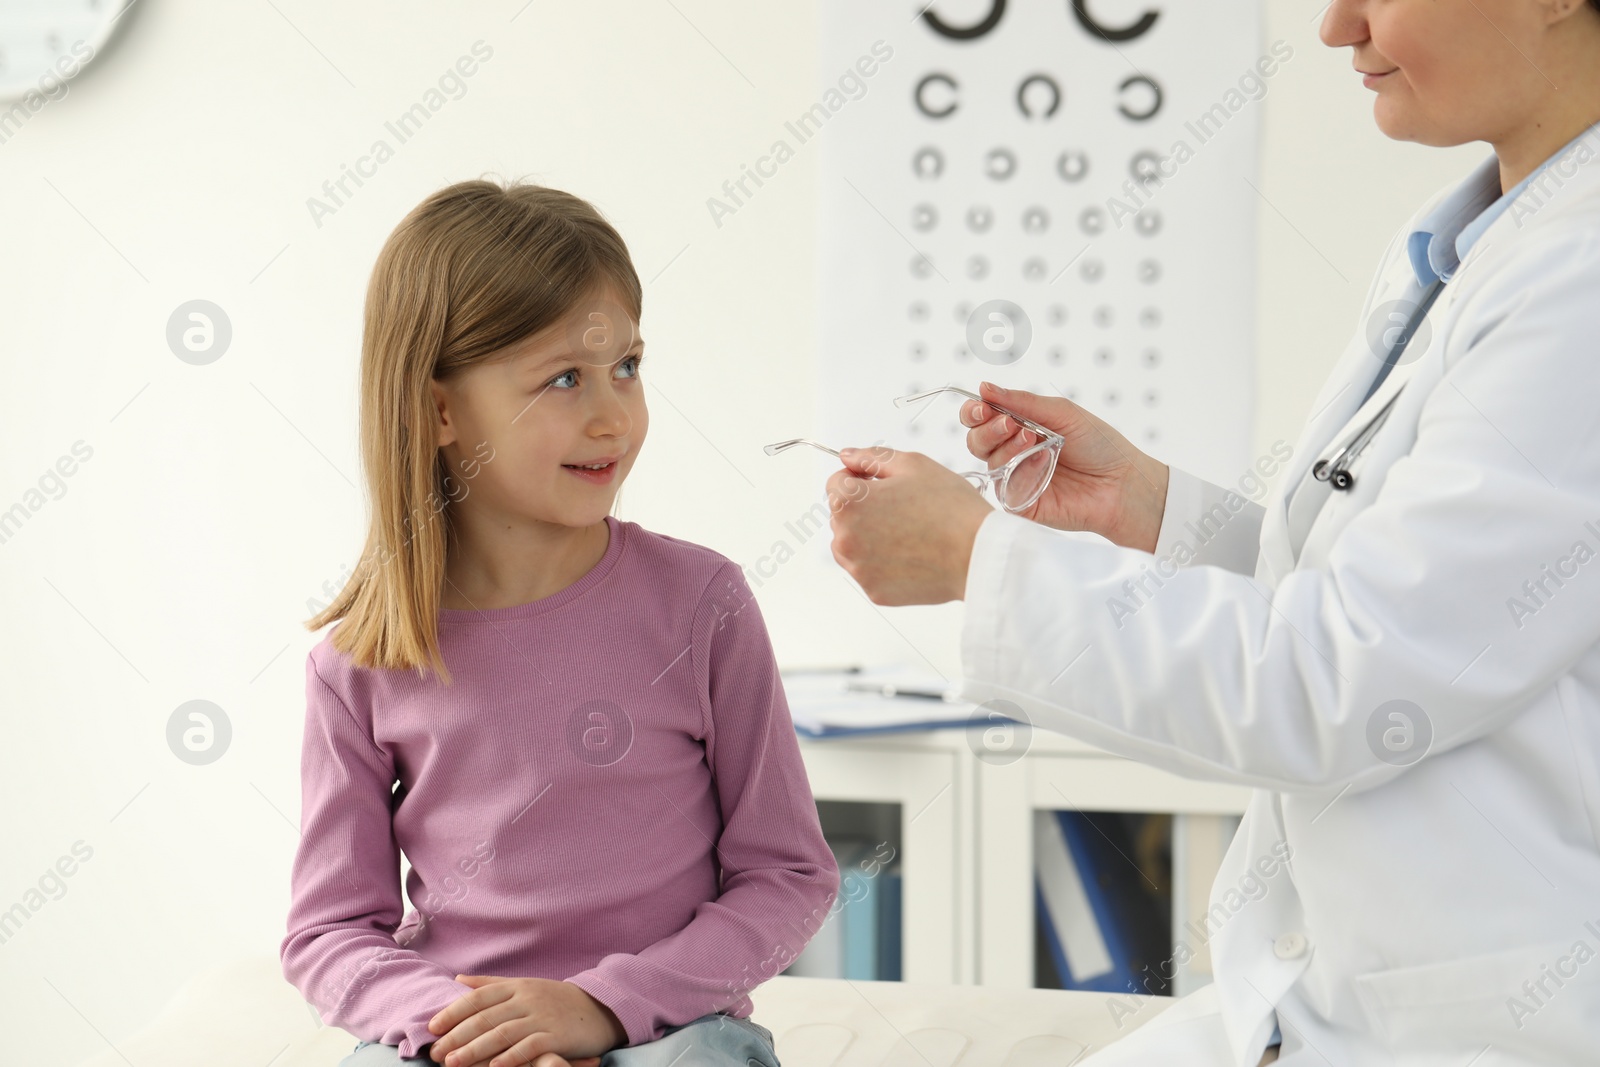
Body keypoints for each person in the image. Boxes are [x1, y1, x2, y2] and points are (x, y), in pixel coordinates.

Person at [824, 0, 1600, 1063]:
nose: (1337, 27)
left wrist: (977, 557)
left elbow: (1347, 684)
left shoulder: (1581, 282)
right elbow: (1391, 601)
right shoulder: (1478, 242)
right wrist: (1152, 509)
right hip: (1331, 994)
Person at [279, 180, 839, 1067]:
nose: (613, 413)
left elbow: (790, 878)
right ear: (439, 412)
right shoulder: (360, 663)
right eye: (564, 379)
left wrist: (601, 1006)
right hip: (456, 1043)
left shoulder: (704, 604)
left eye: (627, 366)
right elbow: (330, 932)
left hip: (671, 1032)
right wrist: (470, 1029)